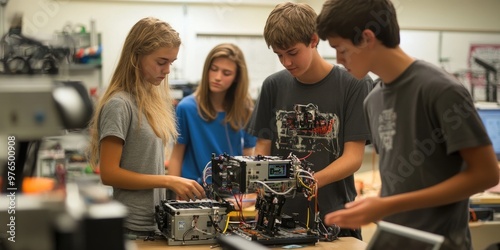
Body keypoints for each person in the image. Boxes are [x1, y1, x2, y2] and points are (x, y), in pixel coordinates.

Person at [316, 0, 500, 249]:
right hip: (394, 240)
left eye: (341, 49)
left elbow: (486, 174)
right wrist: (376, 203)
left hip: (440, 244)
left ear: (367, 38)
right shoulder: (373, 100)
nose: (338, 59)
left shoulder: (441, 90)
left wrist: (388, 205)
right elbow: (400, 181)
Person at [246, 2, 373, 239]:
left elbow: (353, 158)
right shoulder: (273, 86)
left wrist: (306, 182)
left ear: (314, 40)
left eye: (292, 53)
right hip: (277, 219)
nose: (286, 62)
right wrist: (262, 195)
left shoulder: (354, 84)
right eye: (279, 55)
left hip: (334, 220)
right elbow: (263, 148)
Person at [87, 17, 205, 237]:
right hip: (133, 228)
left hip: (154, 225)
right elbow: (109, 173)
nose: (168, 70)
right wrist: (170, 180)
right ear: (136, 57)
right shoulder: (119, 105)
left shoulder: (150, 102)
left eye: (171, 62)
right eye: (161, 62)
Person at [168, 43, 256, 185]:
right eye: (213, 69)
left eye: (226, 73)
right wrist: (176, 189)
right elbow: (176, 156)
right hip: (195, 193)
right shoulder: (187, 108)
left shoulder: (246, 111)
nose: (217, 77)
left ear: (237, 78)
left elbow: (249, 156)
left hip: (233, 196)